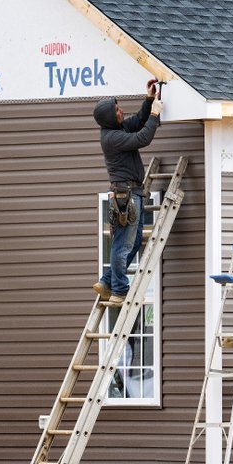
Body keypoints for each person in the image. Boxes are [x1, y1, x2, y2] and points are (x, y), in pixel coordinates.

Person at [92, 80, 163, 304]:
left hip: (132, 193)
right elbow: (143, 137)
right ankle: (120, 290)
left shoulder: (117, 129)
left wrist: (149, 100)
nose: (121, 110)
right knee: (123, 245)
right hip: (127, 195)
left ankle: (107, 281)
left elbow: (138, 121)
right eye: (117, 110)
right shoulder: (112, 138)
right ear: (110, 118)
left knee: (130, 243)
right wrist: (155, 115)